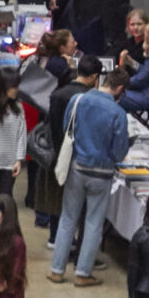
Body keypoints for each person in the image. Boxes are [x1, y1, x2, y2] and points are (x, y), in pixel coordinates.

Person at [50, 68, 128, 285]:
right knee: (93, 222)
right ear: (119, 89)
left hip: (77, 167)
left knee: (68, 218)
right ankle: (83, 273)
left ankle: (57, 269)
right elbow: (119, 149)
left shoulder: (78, 100)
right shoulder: (118, 113)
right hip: (102, 173)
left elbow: (67, 128)